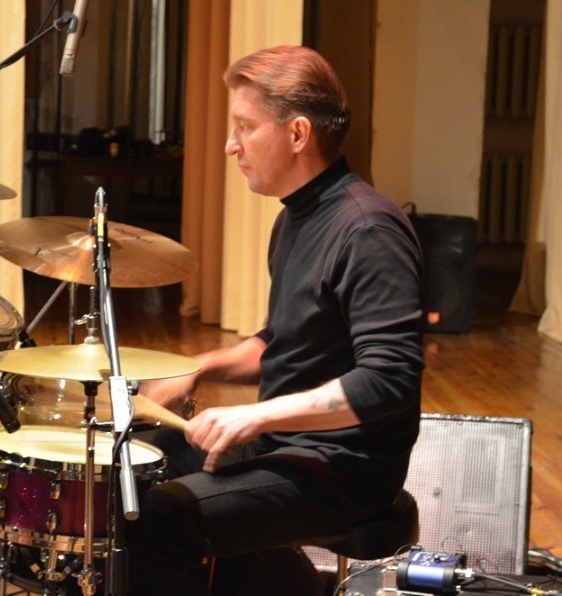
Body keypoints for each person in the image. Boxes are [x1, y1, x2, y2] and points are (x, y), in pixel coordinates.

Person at [125, 45, 424, 595]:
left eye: (245, 126)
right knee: (136, 464)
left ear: (298, 133)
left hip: (345, 468)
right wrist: (197, 367)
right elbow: (281, 342)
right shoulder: (295, 219)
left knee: (159, 519)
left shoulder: (368, 230)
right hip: (288, 445)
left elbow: (389, 380)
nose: (230, 144)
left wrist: (255, 416)